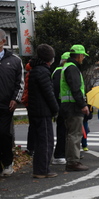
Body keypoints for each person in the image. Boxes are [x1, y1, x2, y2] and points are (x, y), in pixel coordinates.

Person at [27, 44, 59, 178]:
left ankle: (40, 169)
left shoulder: (34, 69)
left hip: (34, 110)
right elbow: (48, 93)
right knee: (46, 141)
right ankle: (42, 170)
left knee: (40, 141)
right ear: (50, 58)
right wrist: (56, 109)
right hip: (42, 111)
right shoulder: (43, 71)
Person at [60, 44, 90, 171]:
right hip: (73, 107)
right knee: (75, 134)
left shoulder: (66, 66)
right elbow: (76, 89)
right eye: (83, 55)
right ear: (79, 55)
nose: (83, 58)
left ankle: (71, 160)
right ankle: (73, 162)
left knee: (71, 134)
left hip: (67, 106)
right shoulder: (72, 68)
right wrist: (83, 105)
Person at [0, 29, 24, 176]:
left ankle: (8, 163)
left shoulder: (15, 60)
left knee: (3, 134)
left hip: (5, 105)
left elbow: (20, 83)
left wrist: (15, 99)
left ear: (3, 41)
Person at [51, 52, 69, 165]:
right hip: (62, 106)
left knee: (65, 130)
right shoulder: (60, 72)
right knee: (63, 130)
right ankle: (59, 154)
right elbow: (57, 90)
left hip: (62, 105)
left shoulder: (58, 71)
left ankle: (65, 153)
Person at [21, 61, 34, 156]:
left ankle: (31, 148)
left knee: (32, 126)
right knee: (34, 127)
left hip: (28, 102)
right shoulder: (33, 75)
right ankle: (31, 148)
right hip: (32, 103)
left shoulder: (28, 74)